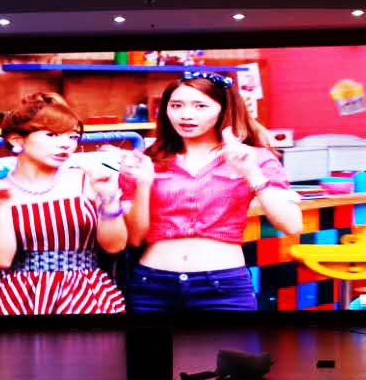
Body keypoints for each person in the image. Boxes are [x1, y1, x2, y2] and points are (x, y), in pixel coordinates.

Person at [118, 71, 302, 312]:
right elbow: (134, 238)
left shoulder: (254, 158)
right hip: (152, 287)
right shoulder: (146, 160)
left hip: (223, 288)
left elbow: (292, 225)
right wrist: (143, 183)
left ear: (223, 110)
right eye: (176, 105)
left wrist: (252, 173)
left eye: (200, 106)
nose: (186, 115)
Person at [0, 92, 127, 315]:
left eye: (73, 137)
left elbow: (115, 246)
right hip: (14, 299)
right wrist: (2, 204)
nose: (65, 144)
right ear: (16, 140)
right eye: (52, 135)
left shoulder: (89, 181)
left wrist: (109, 198)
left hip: (85, 295)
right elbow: (0, 259)